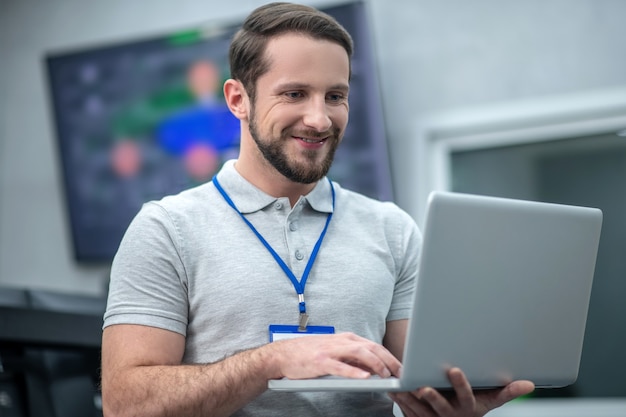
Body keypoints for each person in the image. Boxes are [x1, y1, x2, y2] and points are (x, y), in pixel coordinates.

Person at [100, 3, 535, 416]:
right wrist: (271, 361)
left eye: (334, 96)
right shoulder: (166, 228)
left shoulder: (392, 230)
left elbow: (418, 389)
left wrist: (450, 406)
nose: (320, 119)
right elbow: (127, 406)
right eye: (294, 93)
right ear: (237, 100)